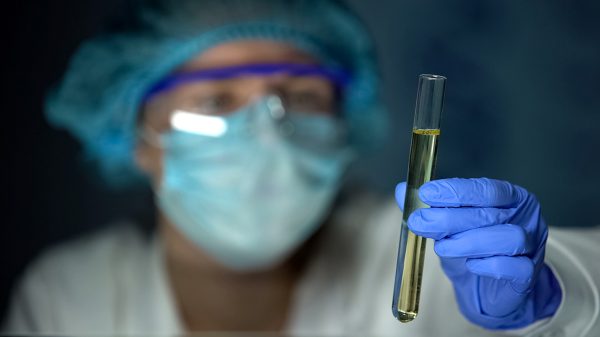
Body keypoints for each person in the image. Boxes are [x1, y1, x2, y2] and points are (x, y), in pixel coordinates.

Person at [3, 0, 600, 336]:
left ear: (346, 124)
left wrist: (553, 296)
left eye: (302, 97)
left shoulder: (415, 261)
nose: (268, 129)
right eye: (216, 101)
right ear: (138, 137)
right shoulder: (71, 299)